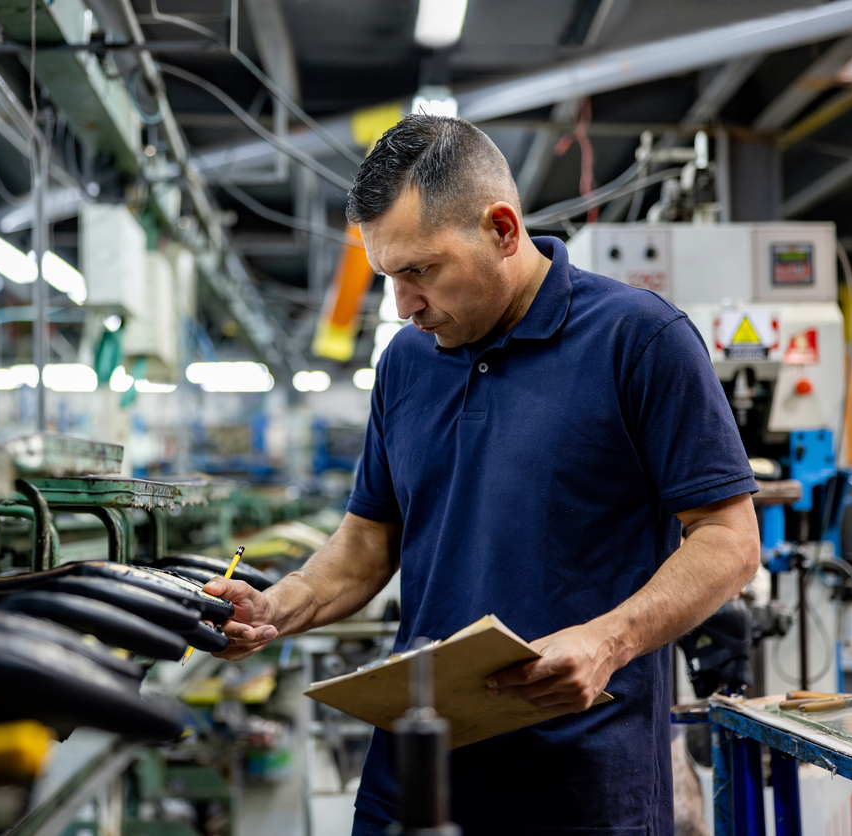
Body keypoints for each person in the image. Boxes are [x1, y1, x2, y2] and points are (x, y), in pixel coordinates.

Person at [204, 114, 760, 836]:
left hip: (582, 787)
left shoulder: (639, 339)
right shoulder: (404, 363)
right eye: (389, 277)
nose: (403, 306)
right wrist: (276, 607)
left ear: (501, 229)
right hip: (414, 771)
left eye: (419, 271)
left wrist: (608, 641)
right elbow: (368, 541)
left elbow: (728, 538)